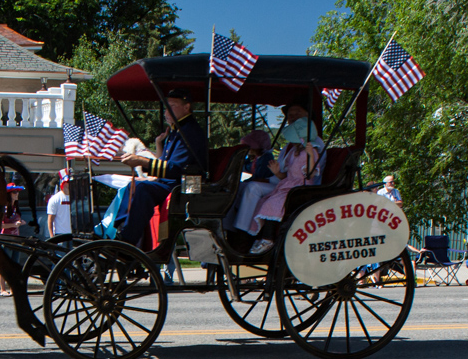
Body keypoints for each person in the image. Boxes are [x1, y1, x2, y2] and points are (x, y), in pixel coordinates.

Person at [116, 88, 207, 247]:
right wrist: (158, 145)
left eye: (172, 106)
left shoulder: (189, 132)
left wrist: (142, 161)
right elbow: (166, 163)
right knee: (134, 185)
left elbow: (175, 168)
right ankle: (122, 231)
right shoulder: (177, 130)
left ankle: (127, 241)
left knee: (142, 188)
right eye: (167, 106)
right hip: (173, 183)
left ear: (187, 107)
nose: (167, 111)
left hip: (186, 186)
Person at [224, 103, 325, 242]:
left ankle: (244, 234)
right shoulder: (291, 147)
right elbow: (284, 171)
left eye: (298, 113)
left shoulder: (313, 145)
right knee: (239, 187)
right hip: (283, 182)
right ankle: (230, 229)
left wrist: (267, 180)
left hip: (297, 188)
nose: (293, 118)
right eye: (290, 115)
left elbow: (312, 173)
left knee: (253, 188)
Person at [247, 115, 323, 254]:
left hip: (300, 188)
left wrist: (311, 156)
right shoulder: (293, 152)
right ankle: (261, 236)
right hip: (287, 185)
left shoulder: (311, 153)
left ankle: (268, 239)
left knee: (272, 204)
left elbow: (310, 174)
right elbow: (285, 175)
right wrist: (276, 172)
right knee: (264, 200)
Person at [0, 182, 25, 297]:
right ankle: (3, 289)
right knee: (4, 265)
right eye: (14, 192)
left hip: (16, 238)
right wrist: (14, 224)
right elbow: (1, 226)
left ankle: (13, 288)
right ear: (9, 194)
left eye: (17, 192)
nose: (17, 194)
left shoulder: (16, 208)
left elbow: (18, 221)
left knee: (15, 265)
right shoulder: (4, 208)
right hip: (6, 238)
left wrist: (20, 223)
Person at [47, 169, 72, 237]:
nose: (69, 184)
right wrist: (52, 237)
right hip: (60, 234)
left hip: (74, 234)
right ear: (63, 183)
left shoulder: (77, 197)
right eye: (67, 182)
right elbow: (50, 219)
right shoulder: (55, 199)